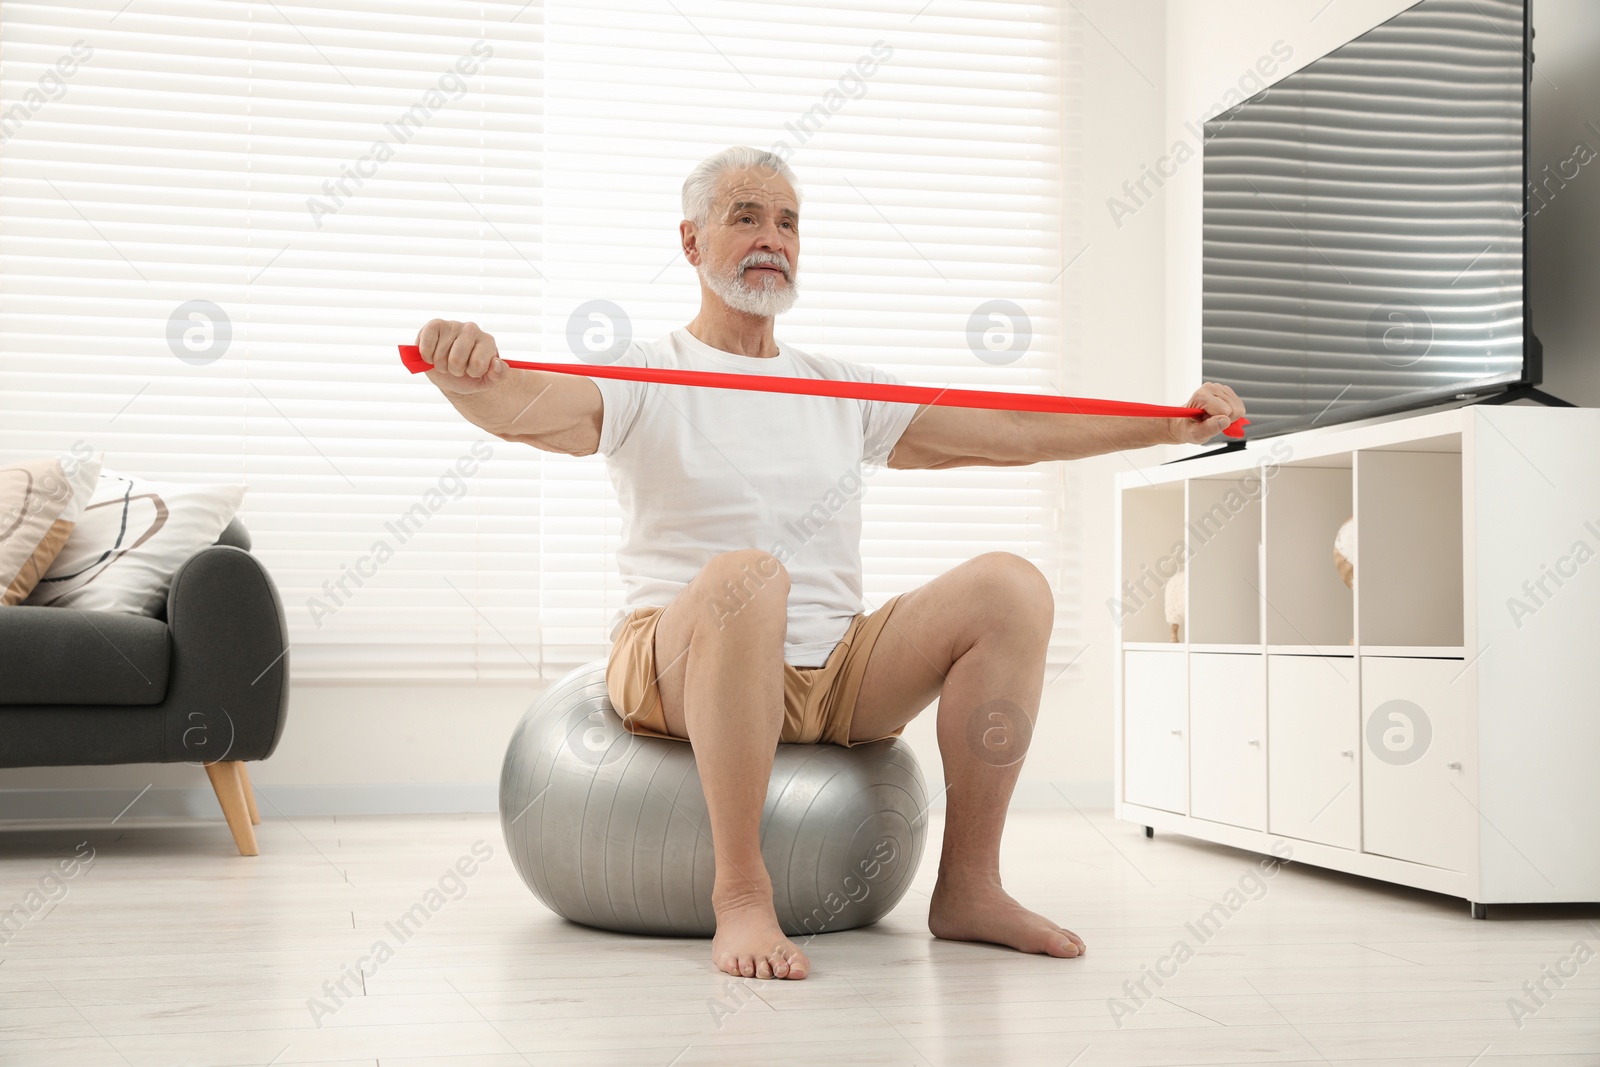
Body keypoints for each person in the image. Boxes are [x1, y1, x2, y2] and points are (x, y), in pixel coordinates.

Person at [414, 145, 1245, 982]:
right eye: (745, 216)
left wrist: (1163, 426)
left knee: (1010, 586)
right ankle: (740, 893)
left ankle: (969, 887)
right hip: (679, 659)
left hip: (835, 666)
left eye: (787, 222)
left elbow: (1008, 429)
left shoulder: (834, 387)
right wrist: (469, 372)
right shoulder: (646, 370)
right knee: (751, 575)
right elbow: (533, 410)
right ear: (692, 242)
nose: (771, 237)